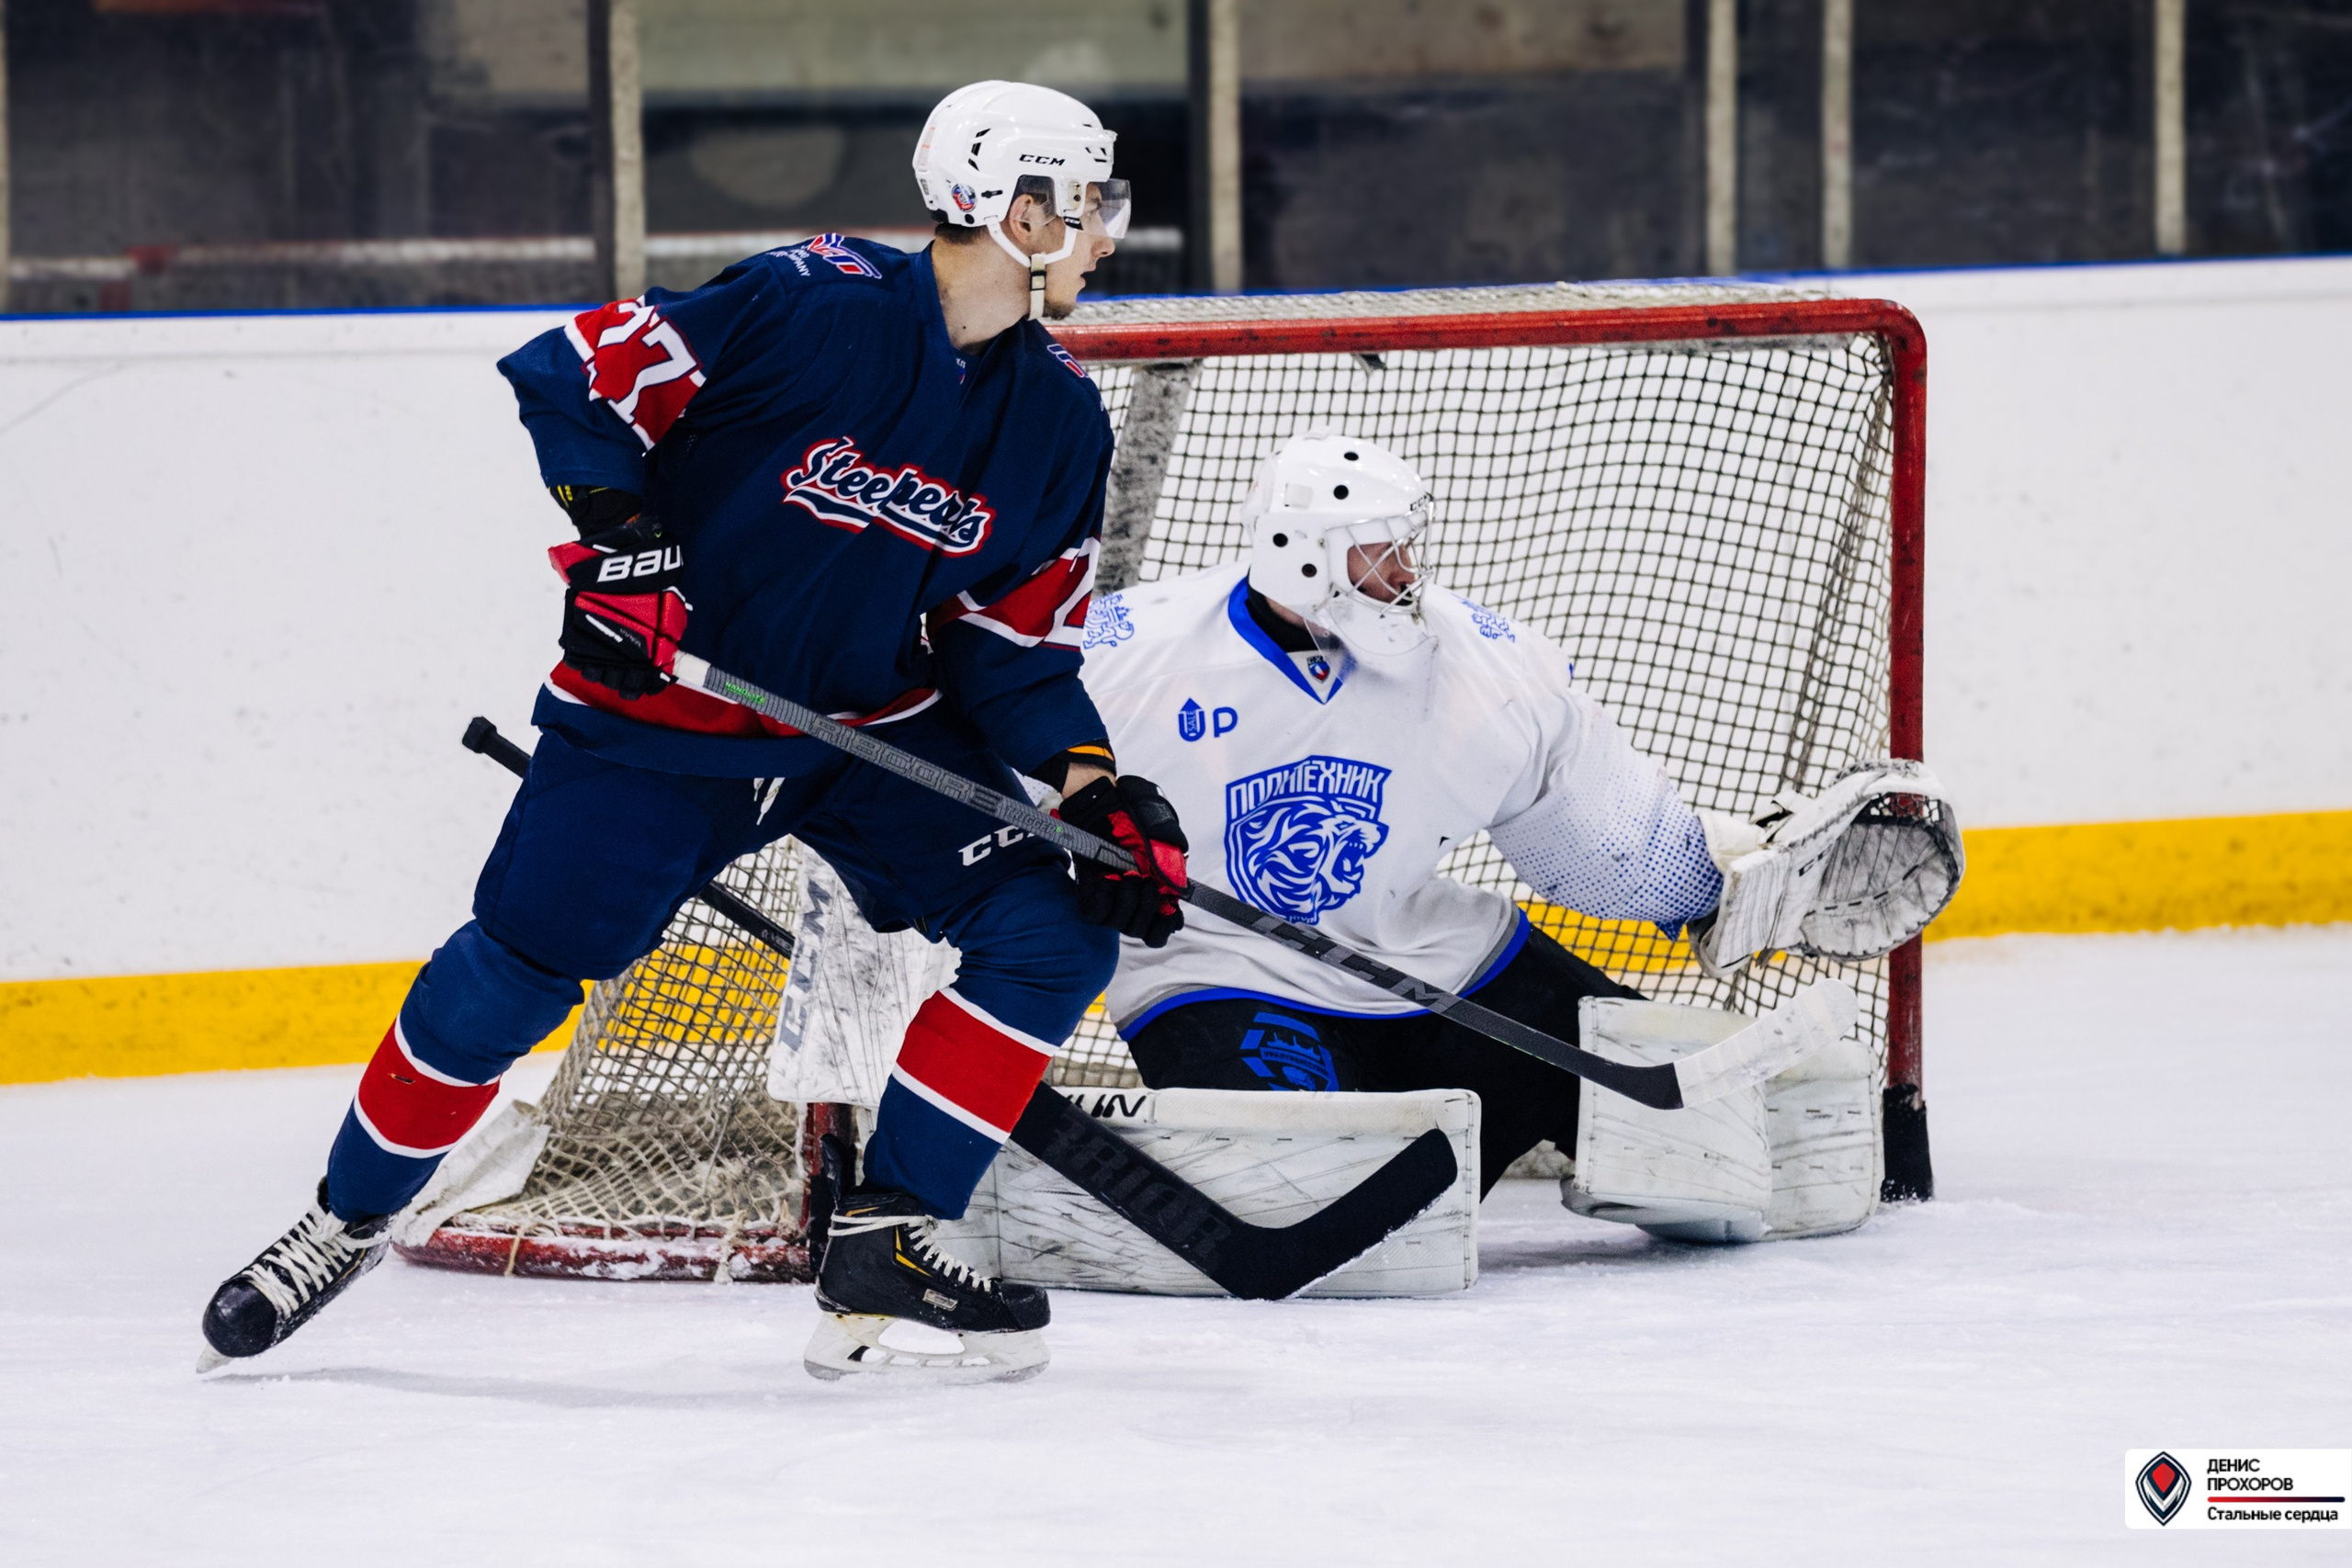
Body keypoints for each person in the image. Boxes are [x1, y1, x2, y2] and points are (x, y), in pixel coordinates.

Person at [198, 80, 1192, 1384]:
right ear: (1016, 209)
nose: (1107, 232)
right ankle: (346, 1217)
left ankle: (887, 1235)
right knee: (518, 973)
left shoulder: (1055, 419)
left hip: (860, 730)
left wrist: (1090, 786)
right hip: (662, 720)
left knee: (1052, 927)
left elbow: (1011, 648)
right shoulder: (812, 300)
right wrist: (622, 543)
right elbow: (575, 372)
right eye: (1089, 201)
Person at [1077, 431, 1727, 1193]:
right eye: (1380, 551)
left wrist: (1717, 888)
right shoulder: (1125, 653)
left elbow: (1605, 844)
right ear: (1299, 552)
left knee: (1700, 1130)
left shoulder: (1479, 657)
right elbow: (1015, 782)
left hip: (1433, 960)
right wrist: (1075, 862)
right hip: (1222, 970)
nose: (1406, 571)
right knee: (1299, 1192)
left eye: (1406, 547)